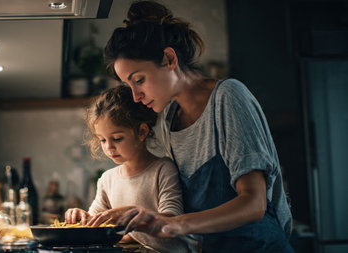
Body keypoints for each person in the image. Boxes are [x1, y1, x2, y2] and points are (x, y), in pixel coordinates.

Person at [103, 1, 294, 252]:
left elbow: (253, 203)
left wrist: (176, 224)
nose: (136, 96)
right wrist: (141, 215)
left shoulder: (228, 97)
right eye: (130, 86)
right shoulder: (169, 119)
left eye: (139, 80)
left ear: (169, 59)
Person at [64, 85, 195, 252]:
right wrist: (80, 217)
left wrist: (132, 213)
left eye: (117, 138)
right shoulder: (107, 179)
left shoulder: (163, 169)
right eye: (102, 140)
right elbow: (94, 224)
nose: (109, 147)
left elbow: (172, 221)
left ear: (141, 131)